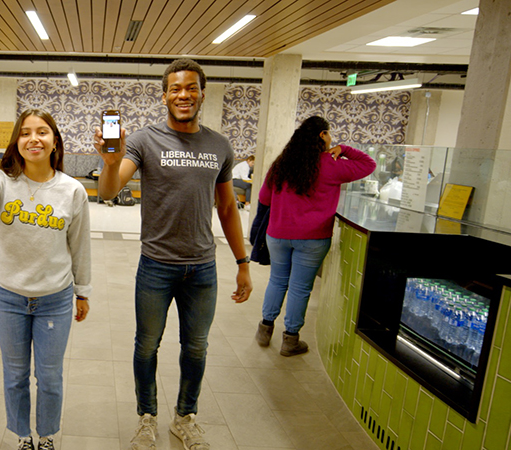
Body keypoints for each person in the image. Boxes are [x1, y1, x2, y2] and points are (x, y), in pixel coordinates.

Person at [94, 58, 253, 450]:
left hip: (203, 268)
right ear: (164, 95)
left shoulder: (219, 145)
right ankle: (146, 417)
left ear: (201, 93)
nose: (184, 95)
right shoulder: (145, 141)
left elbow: (229, 208)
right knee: (146, 345)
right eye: (176, 88)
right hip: (156, 266)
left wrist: (243, 262)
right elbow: (108, 192)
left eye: (191, 88)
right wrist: (110, 164)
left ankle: (185, 417)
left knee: (195, 347)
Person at [0, 109, 91, 450]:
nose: (34, 139)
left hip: (54, 298)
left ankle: (46, 436)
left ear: (55, 141)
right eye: (25, 133)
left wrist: (82, 292)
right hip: (8, 296)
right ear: (17, 143)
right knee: (15, 376)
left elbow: (80, 246)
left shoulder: (72, 191)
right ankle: (22, 436)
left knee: (50, 378)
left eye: (42, 132)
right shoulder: (1, 181)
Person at [255, 116, 375, 356]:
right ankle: (290, 340)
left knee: (277, 280)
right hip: (313, 238)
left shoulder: (281, 164)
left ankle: (265, 329)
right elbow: (368, 164)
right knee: (300, 288)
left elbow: (264, 199)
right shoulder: (332, 165)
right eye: (329, 134)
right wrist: (344, 149)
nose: (332, 139)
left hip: (277, 234)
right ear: (322, 135)